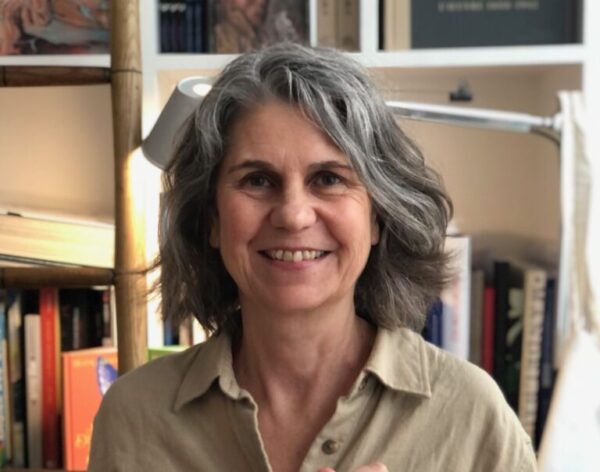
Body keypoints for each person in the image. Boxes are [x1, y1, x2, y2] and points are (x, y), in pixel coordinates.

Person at [88, 43, 536, 471]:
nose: (293, 215)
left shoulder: (472, 417)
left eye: (328, 179)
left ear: (377, 217)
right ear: (211, 220)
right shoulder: (135, 417)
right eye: (258, 180)